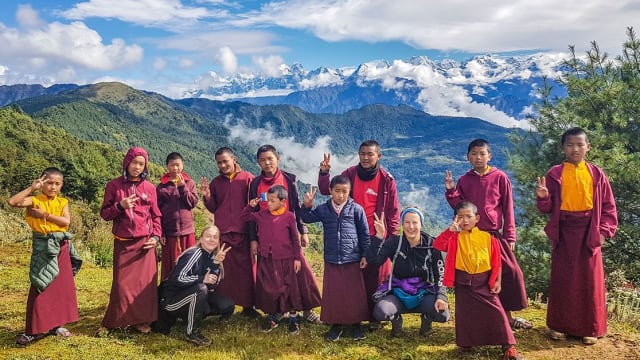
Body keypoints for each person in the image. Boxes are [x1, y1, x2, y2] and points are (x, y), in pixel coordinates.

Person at [536, 127, 618, 345]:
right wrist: (543, 198)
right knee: (563, 279)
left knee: (590, 281)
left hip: (589, 231)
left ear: (587, 147)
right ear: (563, 148)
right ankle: (559, 326)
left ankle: (589, 328)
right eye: (570, 145)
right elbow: (547, 208)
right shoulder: (555, 173)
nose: (575, 149)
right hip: (564, 232)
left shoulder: (596, 174)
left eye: (580, 144)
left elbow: (609, 206)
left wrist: (604, 231)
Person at [444, 138, 530, 330]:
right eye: (474, 154)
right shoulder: (465, 180)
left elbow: (508, 209)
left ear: (489, 156)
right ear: (468, 157)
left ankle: (507, 316)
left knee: (509, 273)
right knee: (477, 278)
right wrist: (451, 191)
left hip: (493, 236)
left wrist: (510, 236)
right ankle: (482, 320)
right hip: (471, 237)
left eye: (482, 153)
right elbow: (460, 208)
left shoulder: (500, 177)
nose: (478, 157)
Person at [318, 140, 400, 329]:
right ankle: (347, 316)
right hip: (351, 236)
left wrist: (391, 237)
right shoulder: (350, 174)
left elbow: (393, 211)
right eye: (362, 153)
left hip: (377, 236)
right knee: (353, 280)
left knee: (375, 279)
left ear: (378, 156)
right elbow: (327, 190)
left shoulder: (387, 180)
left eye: (370, 154)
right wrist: (324, 173)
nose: (365, 157)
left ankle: (374, 318)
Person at [433, 201, 523, 360]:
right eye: (460, 217)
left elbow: (497, 262)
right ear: (455, 219)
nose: (465, 220)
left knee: (497, 312)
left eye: (469, 216)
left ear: (477, 218)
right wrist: (449, 231)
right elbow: (437, 244)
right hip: (463, 282)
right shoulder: (454, 238)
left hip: (484, 281)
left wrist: (498, 281)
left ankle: (508, 347)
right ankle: (467, 344)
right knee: (465, 314)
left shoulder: (487, 238)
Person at [249, 145, 322, 325]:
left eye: (270, 159)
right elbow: (252, 214)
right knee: (271, 276)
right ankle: (277, 310)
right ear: (258, 162)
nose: (267, 163)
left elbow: (296, 207)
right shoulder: (256, 184)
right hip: (266, 239)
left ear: (277, 158)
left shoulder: (289, 179)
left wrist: (303, 231)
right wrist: (253, 239)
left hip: (288, 237)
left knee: (299, 273)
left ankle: (307, 310)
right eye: (262, 160)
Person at [8, 168, 81, 346]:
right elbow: (12, 202)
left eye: (57, 183)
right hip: (42, 247)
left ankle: (56, 325)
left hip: (61, 246)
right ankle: (33, 330)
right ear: (42, 183)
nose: (52, 187)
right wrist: (31, 188)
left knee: (60, 288)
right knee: (40, 285)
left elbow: (66, 222)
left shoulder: (63, 202)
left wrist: (44, 215)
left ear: (61, 185)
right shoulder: (34, 200)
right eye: (49, 183)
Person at [98, 147, 162, 335]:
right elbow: (105, 213)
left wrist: (156, 236)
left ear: (145, 167)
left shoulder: (150, 188)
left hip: (145, 244)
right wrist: (120, 205)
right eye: (134, 162)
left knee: (145, 286)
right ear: (127, 162)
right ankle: (113, 321)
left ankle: (141, 321)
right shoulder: (114, 186)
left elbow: (156, 216)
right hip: (124, 243)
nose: (137, 167)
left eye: (141, 164)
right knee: (121, 285)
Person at [300, 176, 370, 341]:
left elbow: (365, 235)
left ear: (349, 192)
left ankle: (356, 324)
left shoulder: (356, 209)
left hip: (352, 257)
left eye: (345, 191)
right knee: (334, 293)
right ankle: (336, 324)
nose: (341, 195)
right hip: (332, 258)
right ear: (330, 191)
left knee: (354, 293)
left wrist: (365, 255)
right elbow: (307, 218)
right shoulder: (324, 209)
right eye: (337, 191)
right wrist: (307, 206)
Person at [367, 207, 450, 338]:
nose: (411, 226)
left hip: (422, 292)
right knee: (380, 312)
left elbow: (440, 273)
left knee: (442, 314)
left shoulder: (431, 244)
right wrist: (378, 237)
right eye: (407, 222)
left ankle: (427, 320)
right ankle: (396, 320)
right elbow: (373, 260)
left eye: (415, 222)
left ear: (421, 224)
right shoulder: (395, 242)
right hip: (398, 291)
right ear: (402, 224)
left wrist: (441, 297)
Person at [154, 225, 235, 346]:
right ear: (201, 239)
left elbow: (211, 286)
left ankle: (190, 316)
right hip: (170, 301)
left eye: (215, 237)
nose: (211, 239)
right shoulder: (194, 253)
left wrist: (216, 264)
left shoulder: (213, 257)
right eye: (208, 236)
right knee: (201, 289)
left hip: (192, 295)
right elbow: (177, 278)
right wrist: (202, 279)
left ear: (218, 241)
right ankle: (192, 333)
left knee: (227, 304)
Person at [201, 147, 258, 318]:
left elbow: (254, 205)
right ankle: (226, 307)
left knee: (247, 271)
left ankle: (248, 307)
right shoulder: (216, 183)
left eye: (226, 161)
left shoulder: (248, 179)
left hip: (244, 231)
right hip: (224, 232)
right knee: (225, 272)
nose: (223, 165)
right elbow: (213, 207)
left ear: (234, 159)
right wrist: (207, 196)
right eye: (219, 162)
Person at [242, 185, 306, 334]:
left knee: (289, 287)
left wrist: (297, 258)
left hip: (286, 258)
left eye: (272, 200)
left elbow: (295, 239)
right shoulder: (261, 214)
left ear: (282, 201)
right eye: (268, 200)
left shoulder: (289, 216)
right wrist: (250, 207)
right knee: (269, 288)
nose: (268, 203)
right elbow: (244, 218)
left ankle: (293, 319)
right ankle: (273, 316)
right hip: (266, 258)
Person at [157, 152, 199, 281]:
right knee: (170, 265)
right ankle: (168, 294)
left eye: (178, 165)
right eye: (172, 165)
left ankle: (190, 290)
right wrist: (161, 232)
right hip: (169, 233)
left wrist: (182, 187)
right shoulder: (161, 187)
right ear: (167, 167)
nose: (175, 168)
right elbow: (157, 211)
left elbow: (192, 203)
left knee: (189, 262)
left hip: (187, 231)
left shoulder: (189, 183)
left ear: (182, 165)